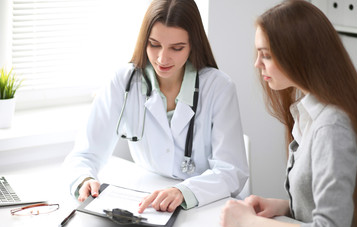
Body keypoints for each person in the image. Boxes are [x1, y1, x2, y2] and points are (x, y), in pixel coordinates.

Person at [63, 0, 248, 214]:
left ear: (193, 45)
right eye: (154, 44)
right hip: (146, 203)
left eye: (176, 48)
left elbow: (231, 171)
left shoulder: (218, 87)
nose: (162, 58)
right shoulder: (123, 82)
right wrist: (83, 179)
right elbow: (84, 154)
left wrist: (183, 192)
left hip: (205, 207)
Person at [220, 0, 357, 227]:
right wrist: (284, 206)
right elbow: (332, 206)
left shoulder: (332, 126)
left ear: (298, 55)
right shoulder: (309, 115)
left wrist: (248, 225)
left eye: (266, 56)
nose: (257, 64)